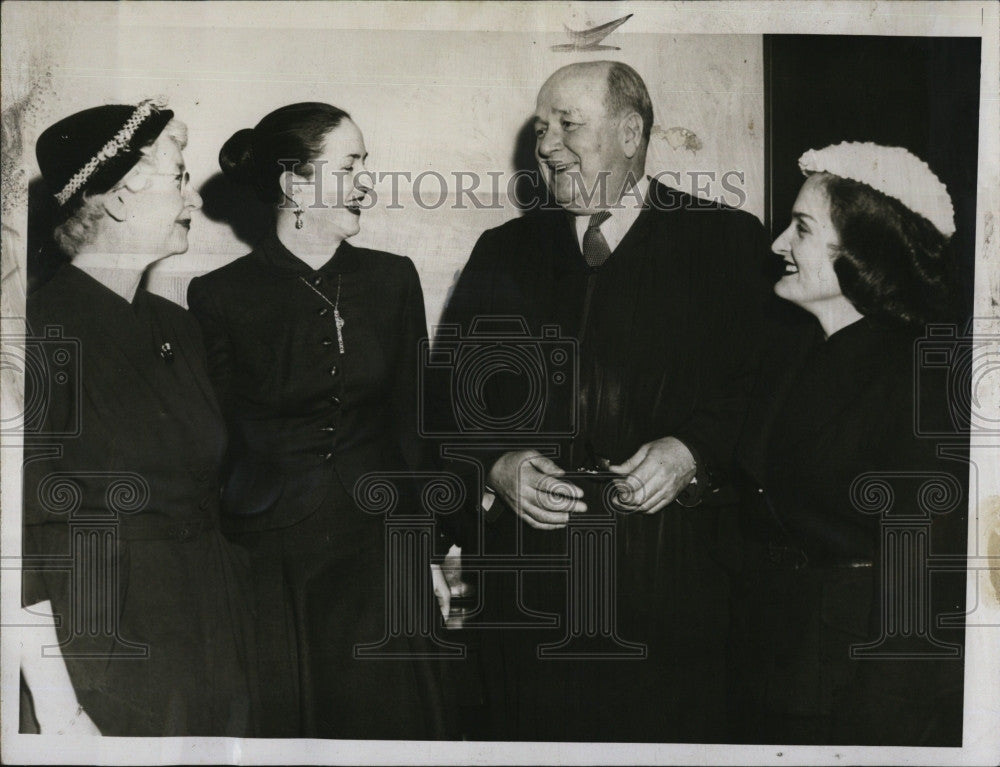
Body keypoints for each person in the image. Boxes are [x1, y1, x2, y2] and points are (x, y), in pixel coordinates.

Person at [434, 61, 770, 741]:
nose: (548, 145)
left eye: (568, 124)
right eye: (540, 128)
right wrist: (495, 465)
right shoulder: (501, 252)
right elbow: (444, 400)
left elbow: (764, 389)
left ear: (631, 131)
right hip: (531, 589)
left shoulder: (725, 241)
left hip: (673, 578)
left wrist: (691, 451)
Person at [186, 102, 454, 739]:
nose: (367, 181)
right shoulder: (219, 296)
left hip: (381, 548)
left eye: (367, 164)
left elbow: (417, 426)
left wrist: (433, 547)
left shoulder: (393, 279)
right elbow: (217, 444)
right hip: (275, 557)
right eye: (352, 164)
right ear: (295, 185)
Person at [21, 101, 258, 736]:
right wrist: (58, 706)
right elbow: (21, 542)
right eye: (179, 178)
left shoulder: (178, 326)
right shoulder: (38, 334)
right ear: (120, 199)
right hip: (108, 650)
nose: (194, 200)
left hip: (209, 630)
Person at [732, 141, 968, 745]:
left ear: (864, 253)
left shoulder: (920, 378)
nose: (777, 244)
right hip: (779, 665)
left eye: (801, 229)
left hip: (857, 682)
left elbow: (916, 588)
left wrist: (882, 722)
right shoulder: (796, 351)